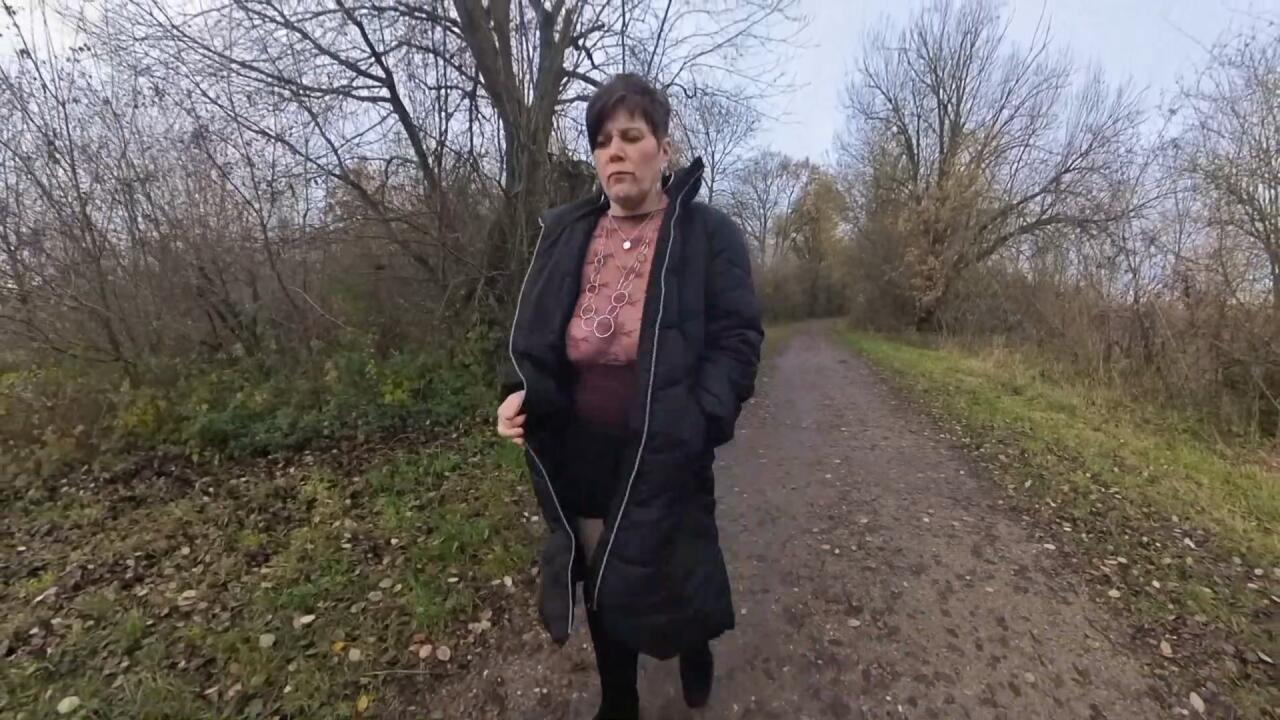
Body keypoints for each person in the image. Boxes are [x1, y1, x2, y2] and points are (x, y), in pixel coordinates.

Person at [497, 73, 763, 720]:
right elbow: (534, 332)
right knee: (603, 573)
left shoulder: (708, 233)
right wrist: (518, 393)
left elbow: (737, 339)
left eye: (631, 136)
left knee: (677, 561)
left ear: (663, 149)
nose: (614, 150)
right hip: (584, 446)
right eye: (602, 141)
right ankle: (620, 700)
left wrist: (701, 418)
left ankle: (693, 645)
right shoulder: (567, 233)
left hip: (670, 437)